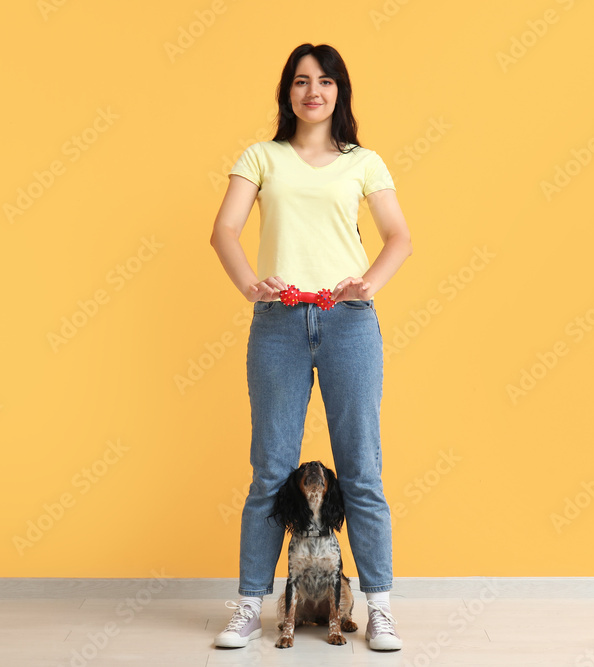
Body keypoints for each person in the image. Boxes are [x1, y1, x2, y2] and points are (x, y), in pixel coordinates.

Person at [209, 42, 412, 651]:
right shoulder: (261, 157)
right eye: (301, 81)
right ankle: (249, 604)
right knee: (270, 470)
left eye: (325, 81)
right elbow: (223, 230)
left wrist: (366, 282)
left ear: (339, 93)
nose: (313, 91)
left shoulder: (364, 162)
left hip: (349, 321)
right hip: (278, 324)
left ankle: (379, 608)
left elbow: (399, 237)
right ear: (287, 92)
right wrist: (250, 283)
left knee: (362, 469)